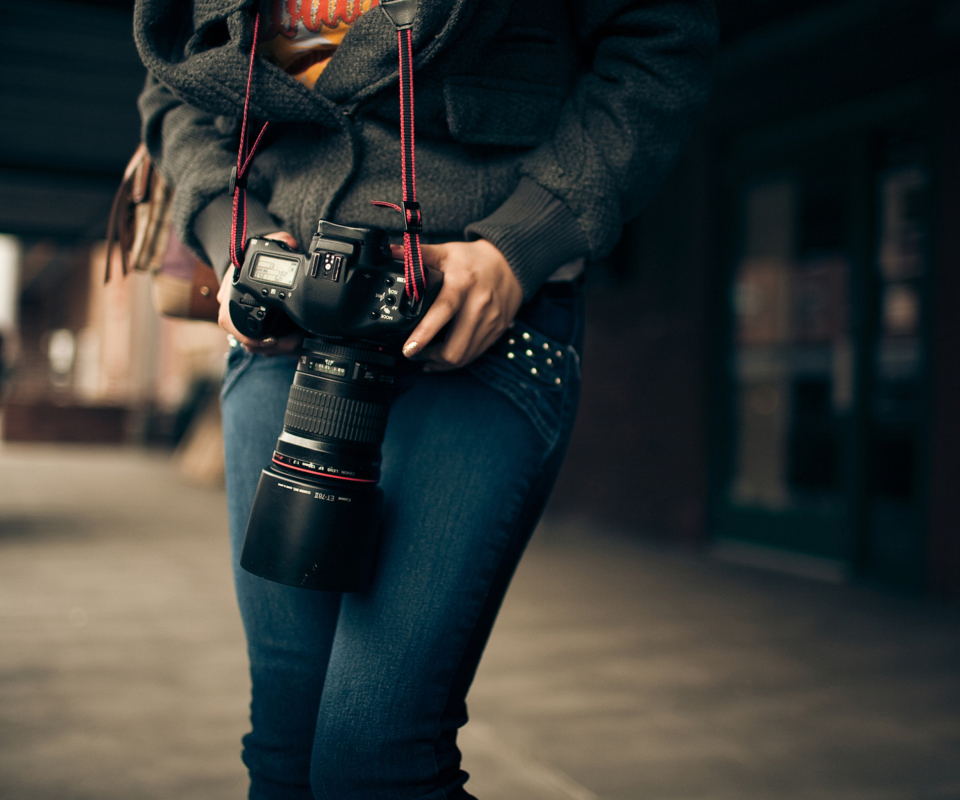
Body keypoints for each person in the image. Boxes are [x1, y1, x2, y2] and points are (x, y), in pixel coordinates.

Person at [133, 1, 717, 798]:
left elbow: (661, 42)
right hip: (288, 325)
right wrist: (232, 237)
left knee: (376, 758)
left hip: (482, 319)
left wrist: (522, 243)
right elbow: (171, 78)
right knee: (285, 742)